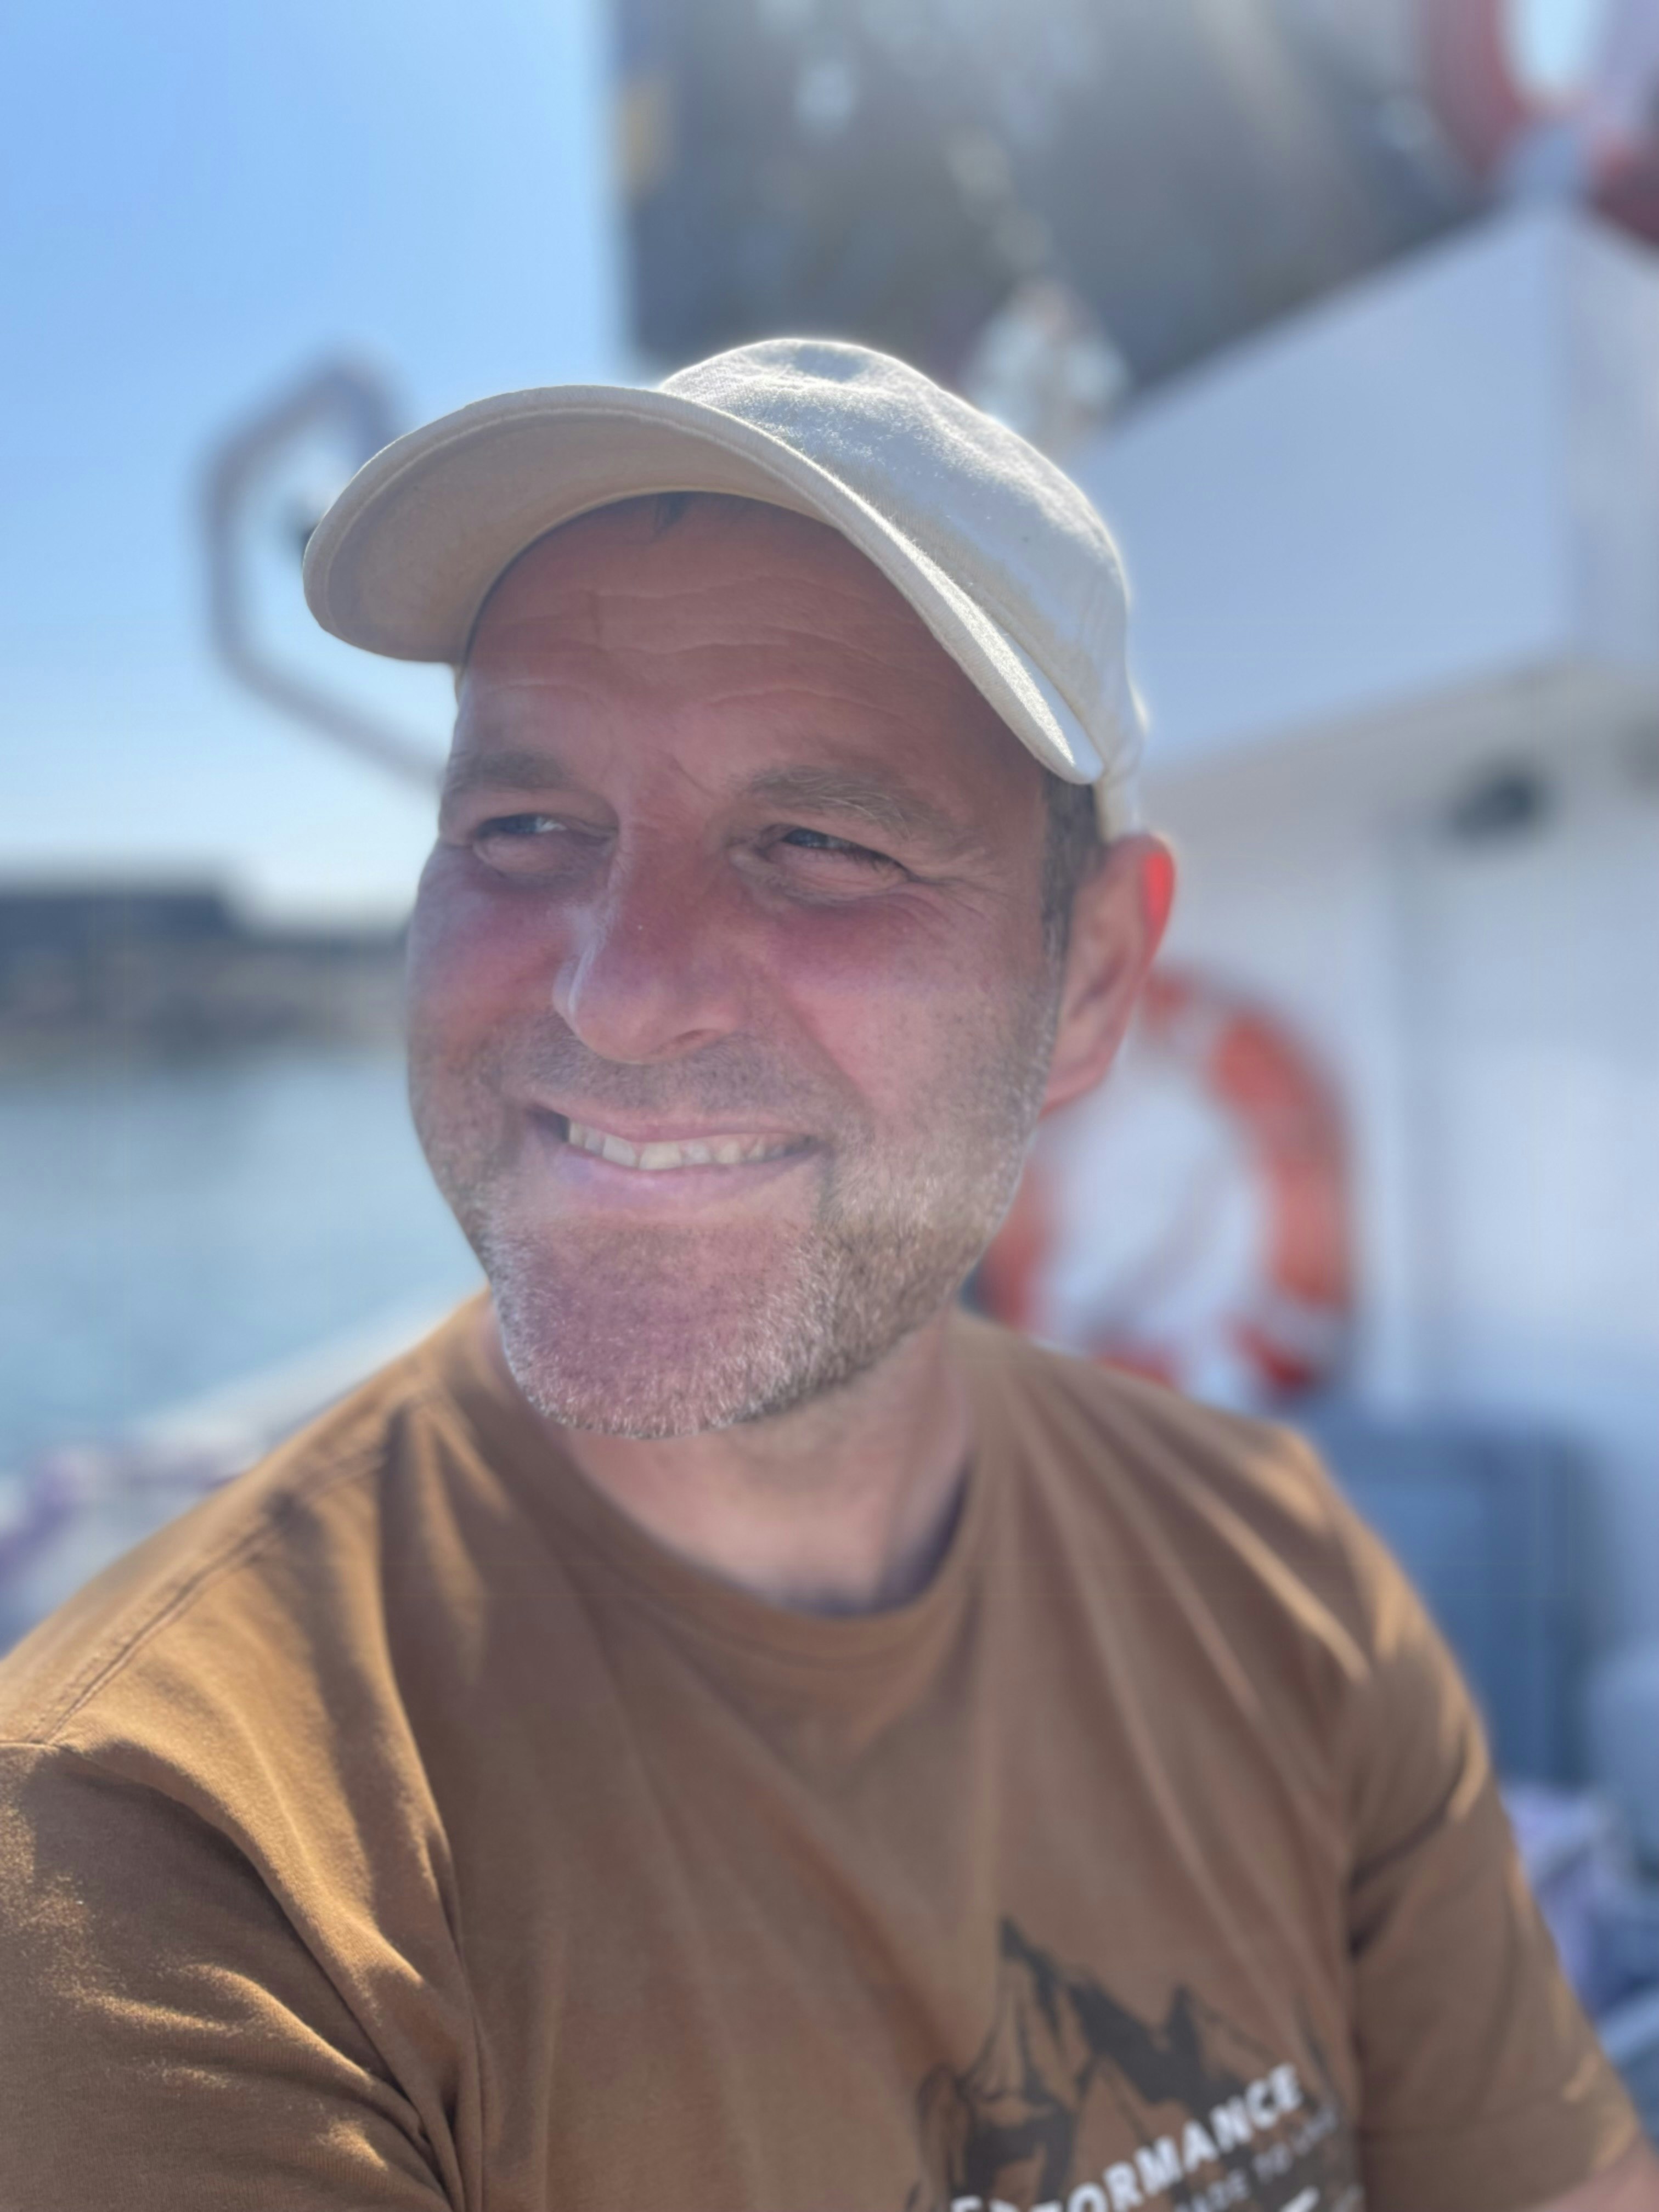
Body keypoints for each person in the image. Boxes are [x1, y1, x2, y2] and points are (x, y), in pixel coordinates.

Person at [0, 340, 1652, 2212]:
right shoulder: (162, 1855)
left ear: (1094, 978)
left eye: (821, 845)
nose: (618, 994)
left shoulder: (1281, 1580)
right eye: (523, 829)